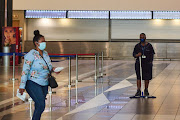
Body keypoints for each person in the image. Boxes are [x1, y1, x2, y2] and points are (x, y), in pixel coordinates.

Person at [19, 30, 60, 120]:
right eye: (42, 42)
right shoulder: (31, 54)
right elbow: (25, 71)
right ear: (36, 43)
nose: (44, 43)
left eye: (45, 41)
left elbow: (48, 66)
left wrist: (53, 69)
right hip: (33, 83)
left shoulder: (45, 54)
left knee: (39, 105)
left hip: (44, 83)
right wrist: (22, 86)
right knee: (41, 104)